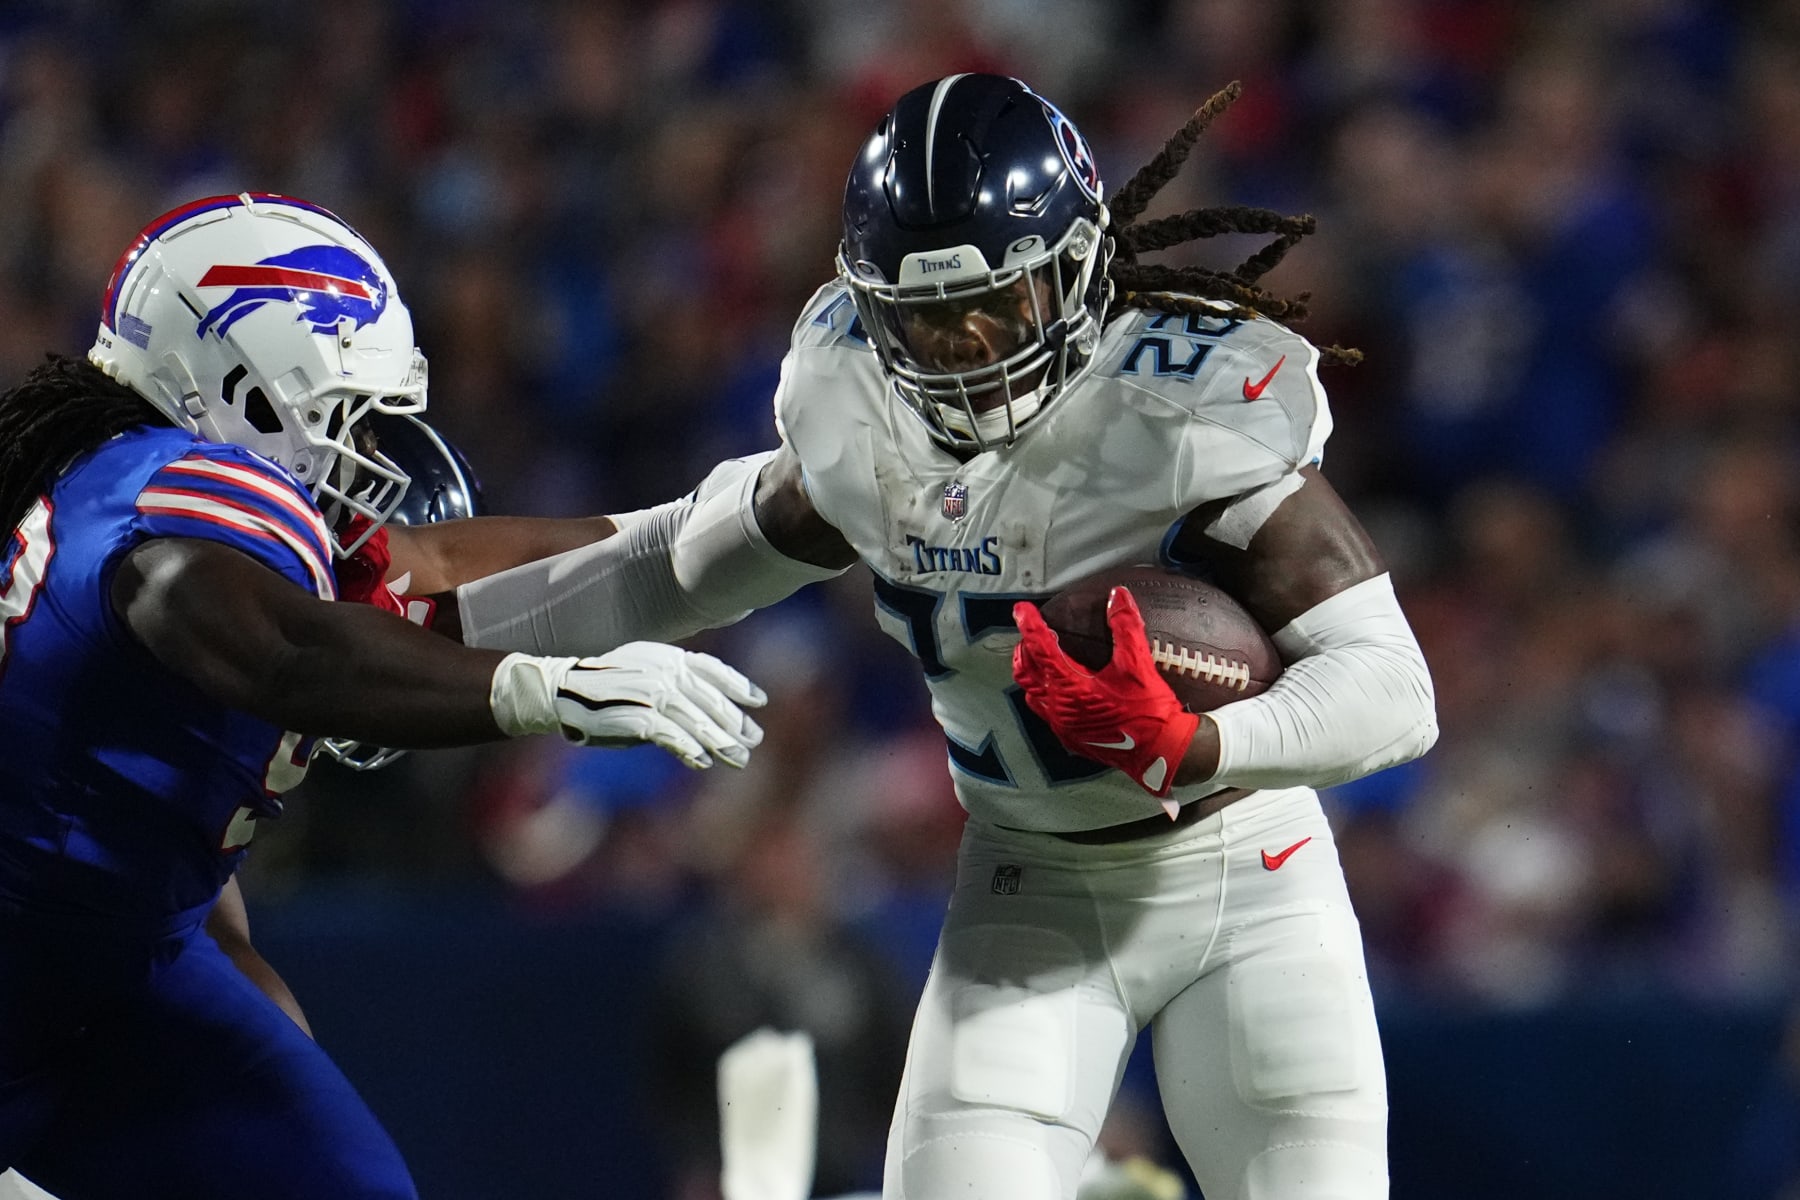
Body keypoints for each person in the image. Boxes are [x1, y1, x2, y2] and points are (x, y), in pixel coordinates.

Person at [451, 75, 1438, 1199]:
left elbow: (1395, 689)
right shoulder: (858, 415)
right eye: (925, 319)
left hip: (1250, 877)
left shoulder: (1180, 411)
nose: (966, 349)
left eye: (998, 306)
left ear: (1076, 273)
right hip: (1033, 882)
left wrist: (1195, 744)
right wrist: (448, 626)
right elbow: (666, 566)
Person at [0, 192, 766, 1199]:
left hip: (109, 973)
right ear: (246, 390)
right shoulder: (168, 502)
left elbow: (452, 562)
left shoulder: (159, 502)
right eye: (349, 415)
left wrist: (743, 517)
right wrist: (544, 691)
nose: (367, 459)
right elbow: (285, 651)